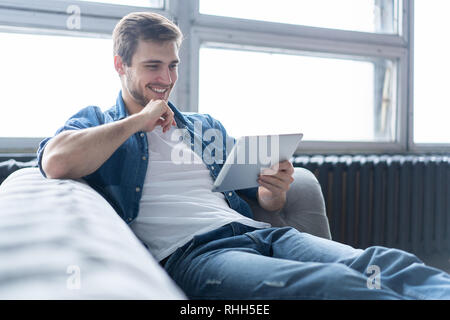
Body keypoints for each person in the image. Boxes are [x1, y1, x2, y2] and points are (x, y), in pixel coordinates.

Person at [37, 11, 450, 300]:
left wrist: (274, 193)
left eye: (173, 65)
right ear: (120, 65)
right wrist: (137, 121)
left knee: (383, 264)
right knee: (327, 286)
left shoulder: (203, 126)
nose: (165, 79)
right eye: (152, 66)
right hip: (198, 255)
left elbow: (262, 198)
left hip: (263, 233)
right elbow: (55, 161)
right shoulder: (100, 122)